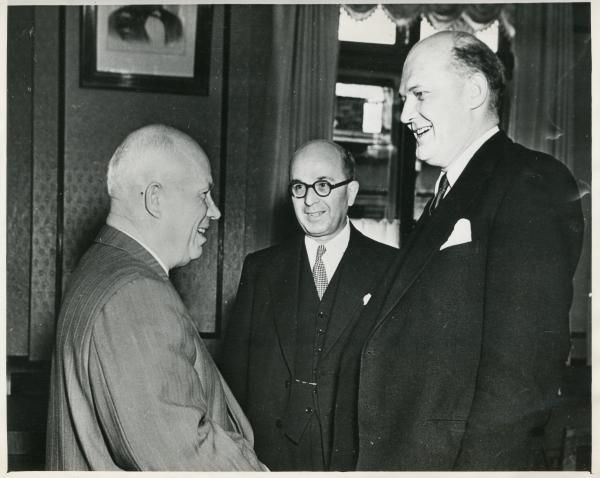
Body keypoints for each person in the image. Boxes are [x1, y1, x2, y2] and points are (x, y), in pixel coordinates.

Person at [330, 31, 584, 471]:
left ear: (474, 91)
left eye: (419, 94)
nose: (405, 113)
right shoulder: (446, 193)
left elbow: (521, 378)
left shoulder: (531, 181)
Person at [46, 125, 266, 471]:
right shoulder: (135, 296)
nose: (215, 211)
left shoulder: (101, 265)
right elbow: (185, 458)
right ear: (155, 199)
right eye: (203, 195)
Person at [221, 140, 397, 471]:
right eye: (299, 187)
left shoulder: (391, 269)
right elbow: (234, 380)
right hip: (269, 460)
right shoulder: (260, 269)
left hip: (353, 460)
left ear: (352, 192)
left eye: (323, 185)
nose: (309, 200)